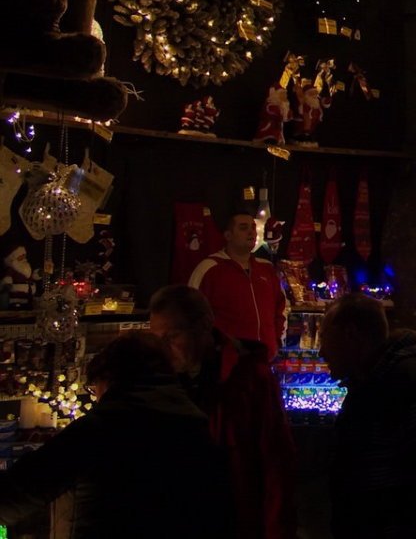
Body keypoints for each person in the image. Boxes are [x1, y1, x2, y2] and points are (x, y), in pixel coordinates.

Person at [0, 332, 234, 538]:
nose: (96, 397)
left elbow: (20, 492)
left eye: (94, 390)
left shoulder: (101, 429)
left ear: (108, 379)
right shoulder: (200, 427)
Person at [149, 285, 297, 539]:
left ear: (205, 325)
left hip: (233, 519)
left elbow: (276, 462)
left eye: (171, 336)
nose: (164, 348)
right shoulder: (158, 380)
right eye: (158, 339)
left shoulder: (248, 377)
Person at [320, 293, 416, 538]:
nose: (321, 351)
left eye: (325, 337)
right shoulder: (371, 383)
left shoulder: (411, 381)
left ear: (351, 334)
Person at [188, 206, 288, 349]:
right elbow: (191, 313)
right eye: (243, 228)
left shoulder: (267, 269)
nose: (251, 232)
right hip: (224, 361)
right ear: (228, 235)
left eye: (253, 227)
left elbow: (281, 308)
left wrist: (275, 341)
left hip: (263, 359)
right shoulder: (208, 269)